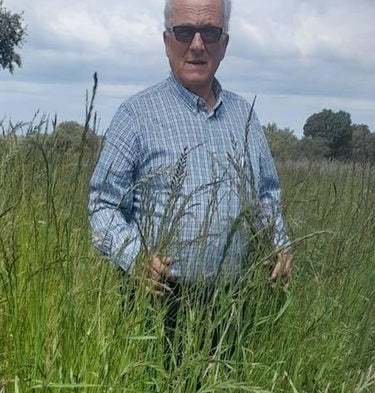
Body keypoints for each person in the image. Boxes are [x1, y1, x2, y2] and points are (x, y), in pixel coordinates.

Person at [88, 0, 293, 364]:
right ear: (168, 42)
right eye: (185, 32)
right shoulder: (136, 115)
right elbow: (102, 205)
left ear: (224, 43)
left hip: (235, 306)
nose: (197, 44)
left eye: (209, 32)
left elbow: (266, 196)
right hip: (157, 306)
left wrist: (278, 242)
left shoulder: (244, 115)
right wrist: (134, 257)